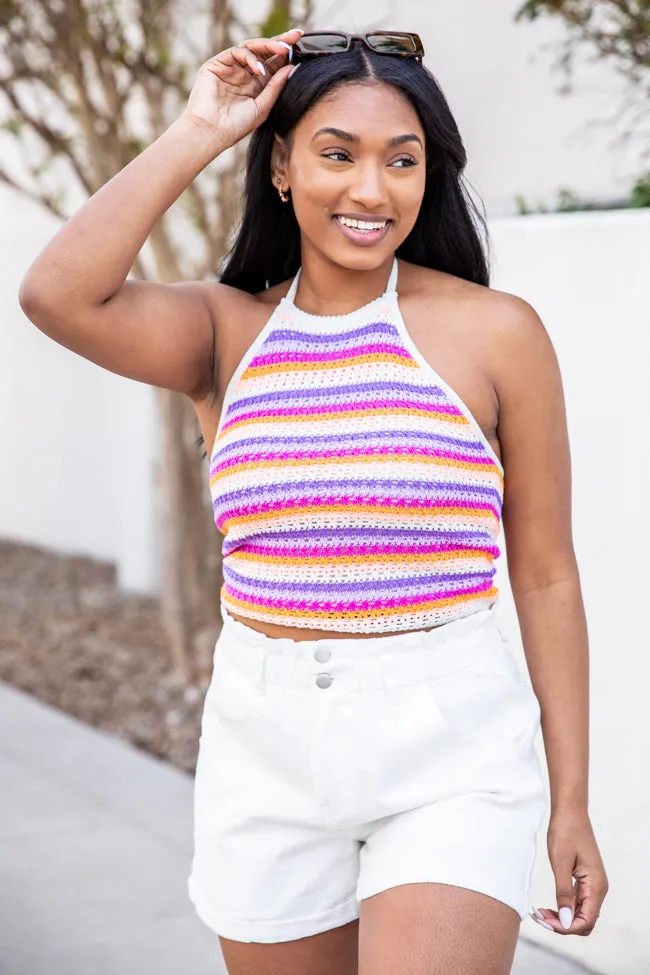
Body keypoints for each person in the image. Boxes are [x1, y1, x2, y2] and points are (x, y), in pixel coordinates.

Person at [18, 26, 608, 975]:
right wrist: (202, 127)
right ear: (283, 167)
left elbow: (544, 574)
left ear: (430, 176)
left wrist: (571, 797)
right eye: (337, 154)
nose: (371, 190)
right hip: (267, 743)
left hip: (450, 744)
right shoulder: (226, 332)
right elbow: (56, 295)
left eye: (402, 161)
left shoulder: (496, 334)